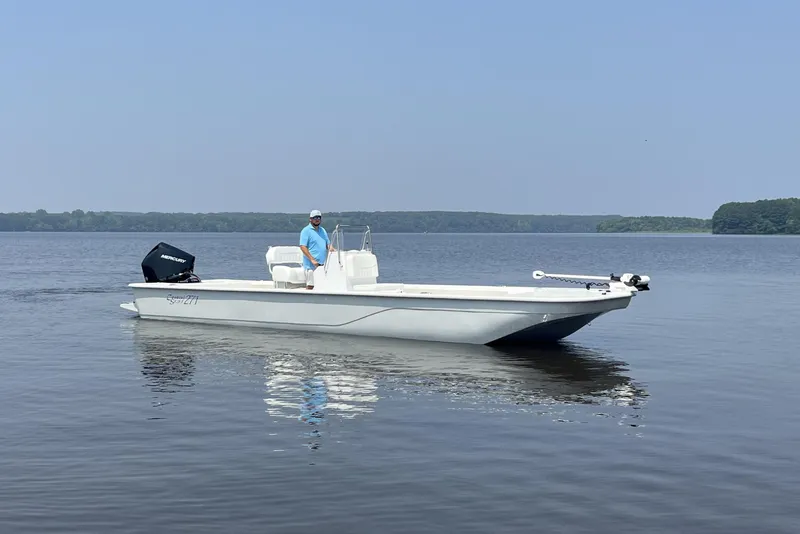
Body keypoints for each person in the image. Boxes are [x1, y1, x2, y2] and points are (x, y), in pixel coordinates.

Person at [299, 210, 334, 289]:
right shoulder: (306, 231)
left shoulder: (322, 230)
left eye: (319, 217)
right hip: (311, 266)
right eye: (315, 218)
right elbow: (302, 247)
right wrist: (312, 259)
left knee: (322, 285)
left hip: (322, 265)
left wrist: (334, 250)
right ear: (310, 219)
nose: (317, 219)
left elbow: (328, 244)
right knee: (311, 286)